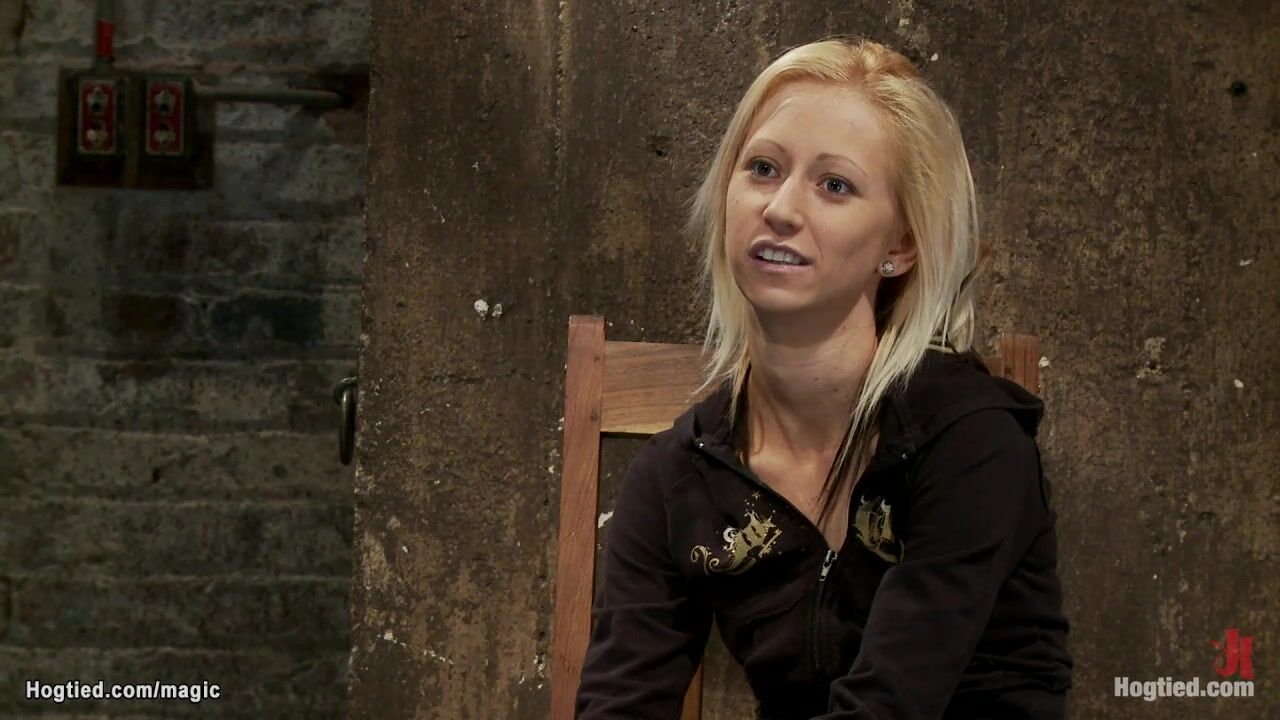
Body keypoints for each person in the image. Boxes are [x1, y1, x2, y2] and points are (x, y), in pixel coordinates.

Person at [574, 36, 1073, 719]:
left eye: (834, 185)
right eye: (762, 168)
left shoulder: (968, 440)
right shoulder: (679, 476)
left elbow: (889, 707)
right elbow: (618, 704)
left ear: (900, 245)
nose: (781, 209)